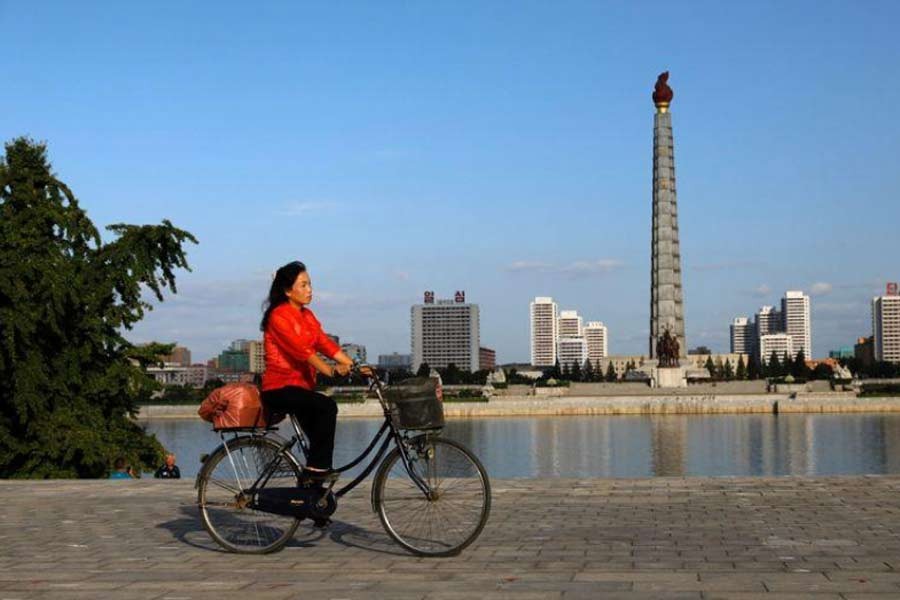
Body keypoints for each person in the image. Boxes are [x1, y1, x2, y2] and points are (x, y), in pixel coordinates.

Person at [260, 261, 364, 480]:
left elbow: (326, 344)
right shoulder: (278, 316)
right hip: (279, 388)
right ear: (288, 290)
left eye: (310, 285)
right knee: (327, 406)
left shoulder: (307, 316)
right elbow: (302, 351)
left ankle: (312, 498)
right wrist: (331, 371)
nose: (310, 290)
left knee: (320, 436)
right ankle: (316, 473)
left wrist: (357, 367)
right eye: (304, 285)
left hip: (301, 389)